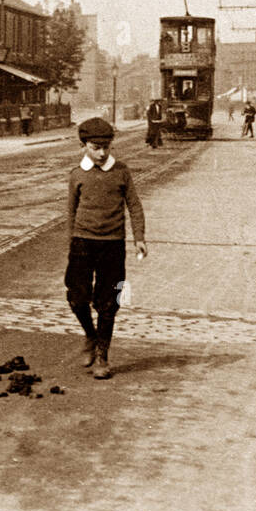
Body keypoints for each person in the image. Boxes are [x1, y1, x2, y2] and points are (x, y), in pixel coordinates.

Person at [66, 117, 146, 380]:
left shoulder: (121, 171)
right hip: (82, 242)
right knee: (77, 297)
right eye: (95, 147)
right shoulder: (77, 174)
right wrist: (71, 243)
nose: (101, 153)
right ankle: (90, 334)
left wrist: (139, 238)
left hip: (113, 244)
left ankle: (103, 354)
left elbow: (134, 205)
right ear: (84, 146)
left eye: (106, 148)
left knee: (109, 302)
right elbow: (70, 211)